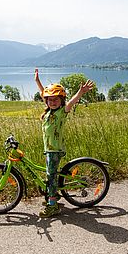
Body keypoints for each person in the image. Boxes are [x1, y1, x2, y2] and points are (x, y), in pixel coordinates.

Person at [34, 68, 94, 218]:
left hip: (55, 149)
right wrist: (37, 81)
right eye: (50, 100)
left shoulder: (61, 112)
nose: (52, 102)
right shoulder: (48, 112)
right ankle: (53, 196)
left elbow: (72, 102)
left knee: (51, 175)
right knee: (51, 174)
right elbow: (44, 94)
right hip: (49, 149)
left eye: (56, 99)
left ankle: (53, 205)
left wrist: (81, 92)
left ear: (61, 100)